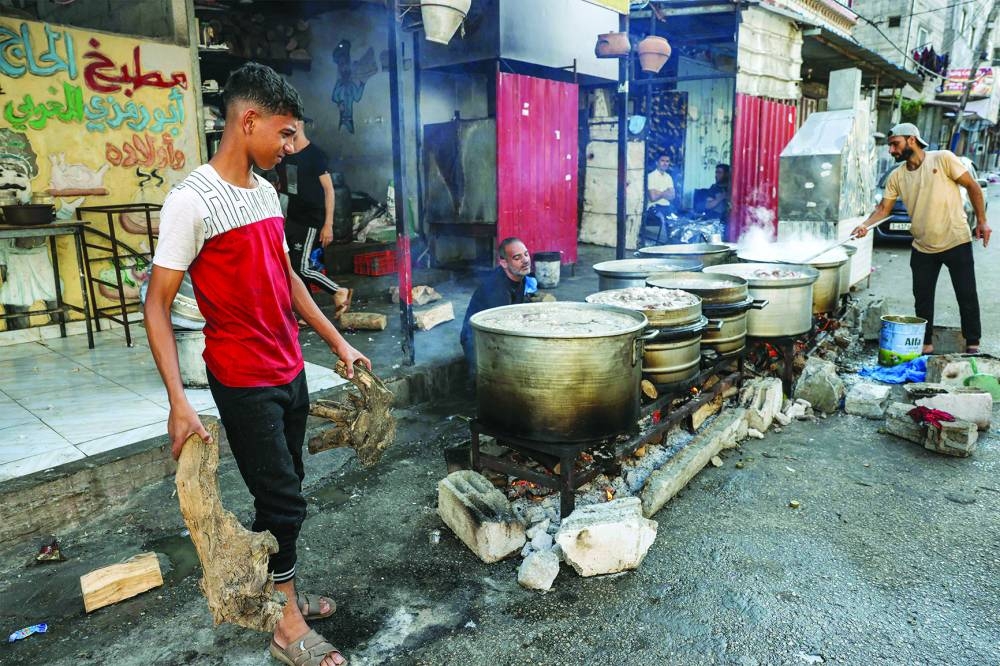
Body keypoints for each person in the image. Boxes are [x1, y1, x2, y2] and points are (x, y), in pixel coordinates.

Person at [144, 62, 368, 666]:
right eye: (285, 133)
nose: (291, 146)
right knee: (282, 500)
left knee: (287, 488)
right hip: (242, 379)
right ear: (249, 121)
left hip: (287, 366)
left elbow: (287, 279)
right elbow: (156, 306)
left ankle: (281, 592)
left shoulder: (265, 192)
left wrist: (336, 342)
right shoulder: (191, 202)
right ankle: (286, 628)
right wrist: (178, 402)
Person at [853, 122, 990, 355]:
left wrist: (982, 221)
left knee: (966, 294)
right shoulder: (896, 177)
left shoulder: (942, 158)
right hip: (922, 247)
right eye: (890, 146)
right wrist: (865, 226)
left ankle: (972, 345)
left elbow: (973, 187)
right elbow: (883, 209)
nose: (892, 151)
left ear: (912, 140)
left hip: (956, 240)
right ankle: (926, 346)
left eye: (895, 144)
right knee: (923, 299)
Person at [276, 117, 344, 299]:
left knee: (302, 267)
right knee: (292, 266)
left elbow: (329, 190)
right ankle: (308, 310)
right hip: (292, 218)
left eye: (292, 124)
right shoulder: (284, 154)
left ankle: (338, 291)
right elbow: (283, 187)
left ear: (300, 125)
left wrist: (328, 225)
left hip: (311, 219)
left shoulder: (315, 155)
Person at [460, 238, 531, 378]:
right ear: (504, 262)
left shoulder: (519, 277)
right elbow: (501, 331)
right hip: (477, 339)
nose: (525, 260)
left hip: (496, 333)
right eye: (517, 257)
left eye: (526, 254)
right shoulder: (497, 288)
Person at [643, 154, 675, 245]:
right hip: (654, 207)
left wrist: (659, 193)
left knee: (677, 220)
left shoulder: (668, 177)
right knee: (662, 220)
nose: (665, 163)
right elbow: (652, 197)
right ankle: (664, 244)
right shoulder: (651, 176)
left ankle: (673, 244)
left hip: (667, 207)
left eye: (667, 161)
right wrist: (665, 192)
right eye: (662, 161)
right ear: (657, 162)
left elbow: (672, 196)